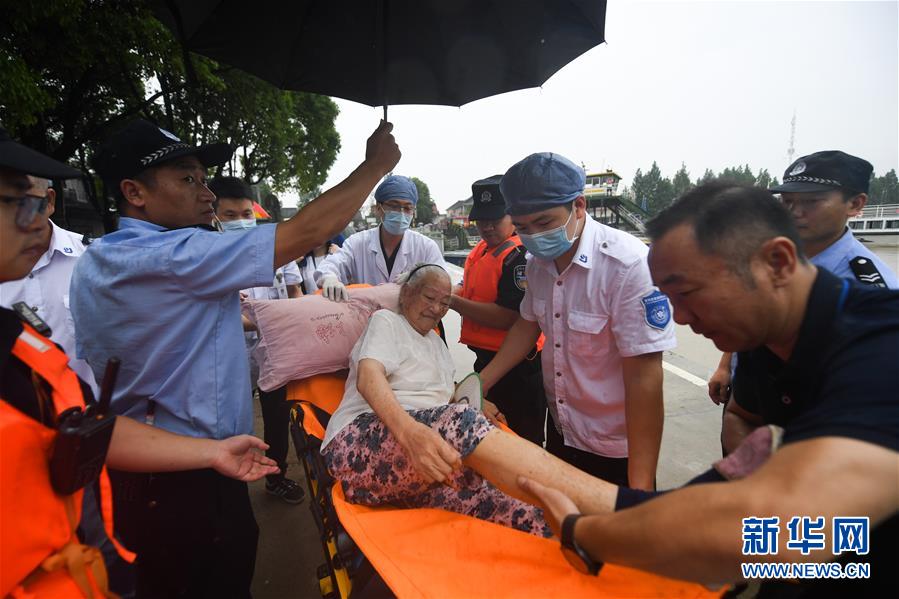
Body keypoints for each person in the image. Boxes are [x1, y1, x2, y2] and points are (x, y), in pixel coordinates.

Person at [69, 118, 399, 597]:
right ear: (133, 192)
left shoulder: (98, 257)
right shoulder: (176, 253)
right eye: (187, 179)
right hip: (189, 482)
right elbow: (309, 229)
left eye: (204, 179)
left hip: (138, 466)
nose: (206, 193)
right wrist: (374, 167)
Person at [520, 182, 898, 596]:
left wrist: (586, 535)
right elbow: (741, 421)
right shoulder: (761, 340)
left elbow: (788, 531)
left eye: (686, 292)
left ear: (777, 262)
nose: (679, 318)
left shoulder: (883, 344)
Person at [0, 130, 278, 597]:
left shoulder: (21, 333)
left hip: (105, 511)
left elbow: (83, 423)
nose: (37, 222)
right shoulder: (146, 256)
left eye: (43, 203)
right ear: (134, 193)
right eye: (19, 203)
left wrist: (211, 453)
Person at [321, 264, 620, 537]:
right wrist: (411, 433)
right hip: (359, 444)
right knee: (460, 422)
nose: (437, 308)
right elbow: (368, 377)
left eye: (445, 302)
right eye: (429, 298)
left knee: (507, 504)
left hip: (420, 459)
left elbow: (437, 396)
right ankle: (616, 505)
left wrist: (471, 401)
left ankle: (593, 535)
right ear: (407, 293)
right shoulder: (387, 322)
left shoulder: (436, 345)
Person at [479, 153, 676, 489]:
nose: (534, 236)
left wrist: (640, 488)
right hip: (562, 431)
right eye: (522, 227)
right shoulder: (537, 264)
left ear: (579, 206)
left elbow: (645, 379)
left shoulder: (628, 266)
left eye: (544, 223)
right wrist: (479, 382)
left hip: (615, 447)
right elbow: (527, 325)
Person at [707, 152, 898, 450]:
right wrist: (725, 365)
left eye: (811, 201)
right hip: (748, 399)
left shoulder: (871, 290)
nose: (794, 212)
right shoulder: (768, 257)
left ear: (855, 204)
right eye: (787, 201)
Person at [210, 176, 304, 504]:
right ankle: (228, 484)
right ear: (215, 217)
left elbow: (295, 291)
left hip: (273, 350)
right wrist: (272, 321)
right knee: (229, 421)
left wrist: (293, 314)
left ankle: (276, 477)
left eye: (246, 214)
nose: (241, 221)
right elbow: (215, 314)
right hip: (229, 353)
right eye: (230, 215)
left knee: (277, 418)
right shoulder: (209, 256)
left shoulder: (276, 249)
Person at [449, 175, 547, 445]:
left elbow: (508, 317)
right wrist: (449, 291)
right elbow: (468, 284)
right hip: (485, 359)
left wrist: (451, 301)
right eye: (482, 220)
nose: (487, 226)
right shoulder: (483, 249)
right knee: (487, 434)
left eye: (495, 219)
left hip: (518, 370)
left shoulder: (521, 256)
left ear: (512, 215)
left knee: (522, 440)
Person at [0, 175, 98, 397]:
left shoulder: (94, 260)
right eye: (11, 203)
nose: (30, 221)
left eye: (29, 203)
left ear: (50, 201)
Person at [315, 175, 444, 300]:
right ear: (378, 208)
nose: (401, 213)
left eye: (407, 208)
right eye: (394, 206)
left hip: (410, 314)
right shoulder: (357, 243)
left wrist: (420, 275)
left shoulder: (426, 247)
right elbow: (329, 266)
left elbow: (443, 281)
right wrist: (330, 278)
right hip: (366, 313)